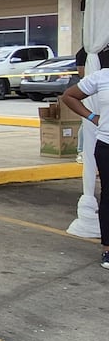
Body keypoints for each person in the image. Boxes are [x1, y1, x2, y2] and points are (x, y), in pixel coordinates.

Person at [59, 62, 109, 269]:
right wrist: (92, 117)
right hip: (107, 144)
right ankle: (107, 248)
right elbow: (69, 96)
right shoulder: (103, 76)